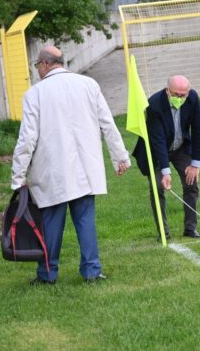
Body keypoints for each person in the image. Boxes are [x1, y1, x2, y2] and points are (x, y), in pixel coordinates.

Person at [11, 46, 131, 284]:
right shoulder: (88, 85)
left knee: (50, 225)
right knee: (86, 222)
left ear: (45, 64)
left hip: (52, 171)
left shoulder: (35, 93)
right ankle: (91, 271)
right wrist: (120, 157)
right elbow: (107, 123)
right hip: (86, 168)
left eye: (37, 66)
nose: (38, 70)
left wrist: (18, 175)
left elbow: (27, 138)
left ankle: (47, 273)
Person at [132, 75, 200, 240]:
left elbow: (199, 129)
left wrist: (195, 164)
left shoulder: (193, 98)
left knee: (191, 183)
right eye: (176, 94)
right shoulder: (154, 104)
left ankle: (190, 228)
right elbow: (157, 140)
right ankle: (163, 233)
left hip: (181, 147)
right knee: (158, 187)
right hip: (156, 150)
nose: (179, 98)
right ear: (167, 91)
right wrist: (166, 172)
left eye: (183, 95)